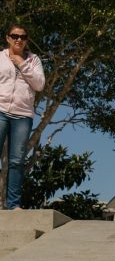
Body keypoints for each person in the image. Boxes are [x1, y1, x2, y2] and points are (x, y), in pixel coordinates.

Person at [0, 24, 45, 210]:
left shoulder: (34, 61)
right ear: (8, 38)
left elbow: (40, 84)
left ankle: (13, 205)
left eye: (23, 36)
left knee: (17, 161)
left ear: (27, 40)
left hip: (22, 116)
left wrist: (21, 63)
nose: (19, 39)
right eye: (15, 36)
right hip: (0, 111)